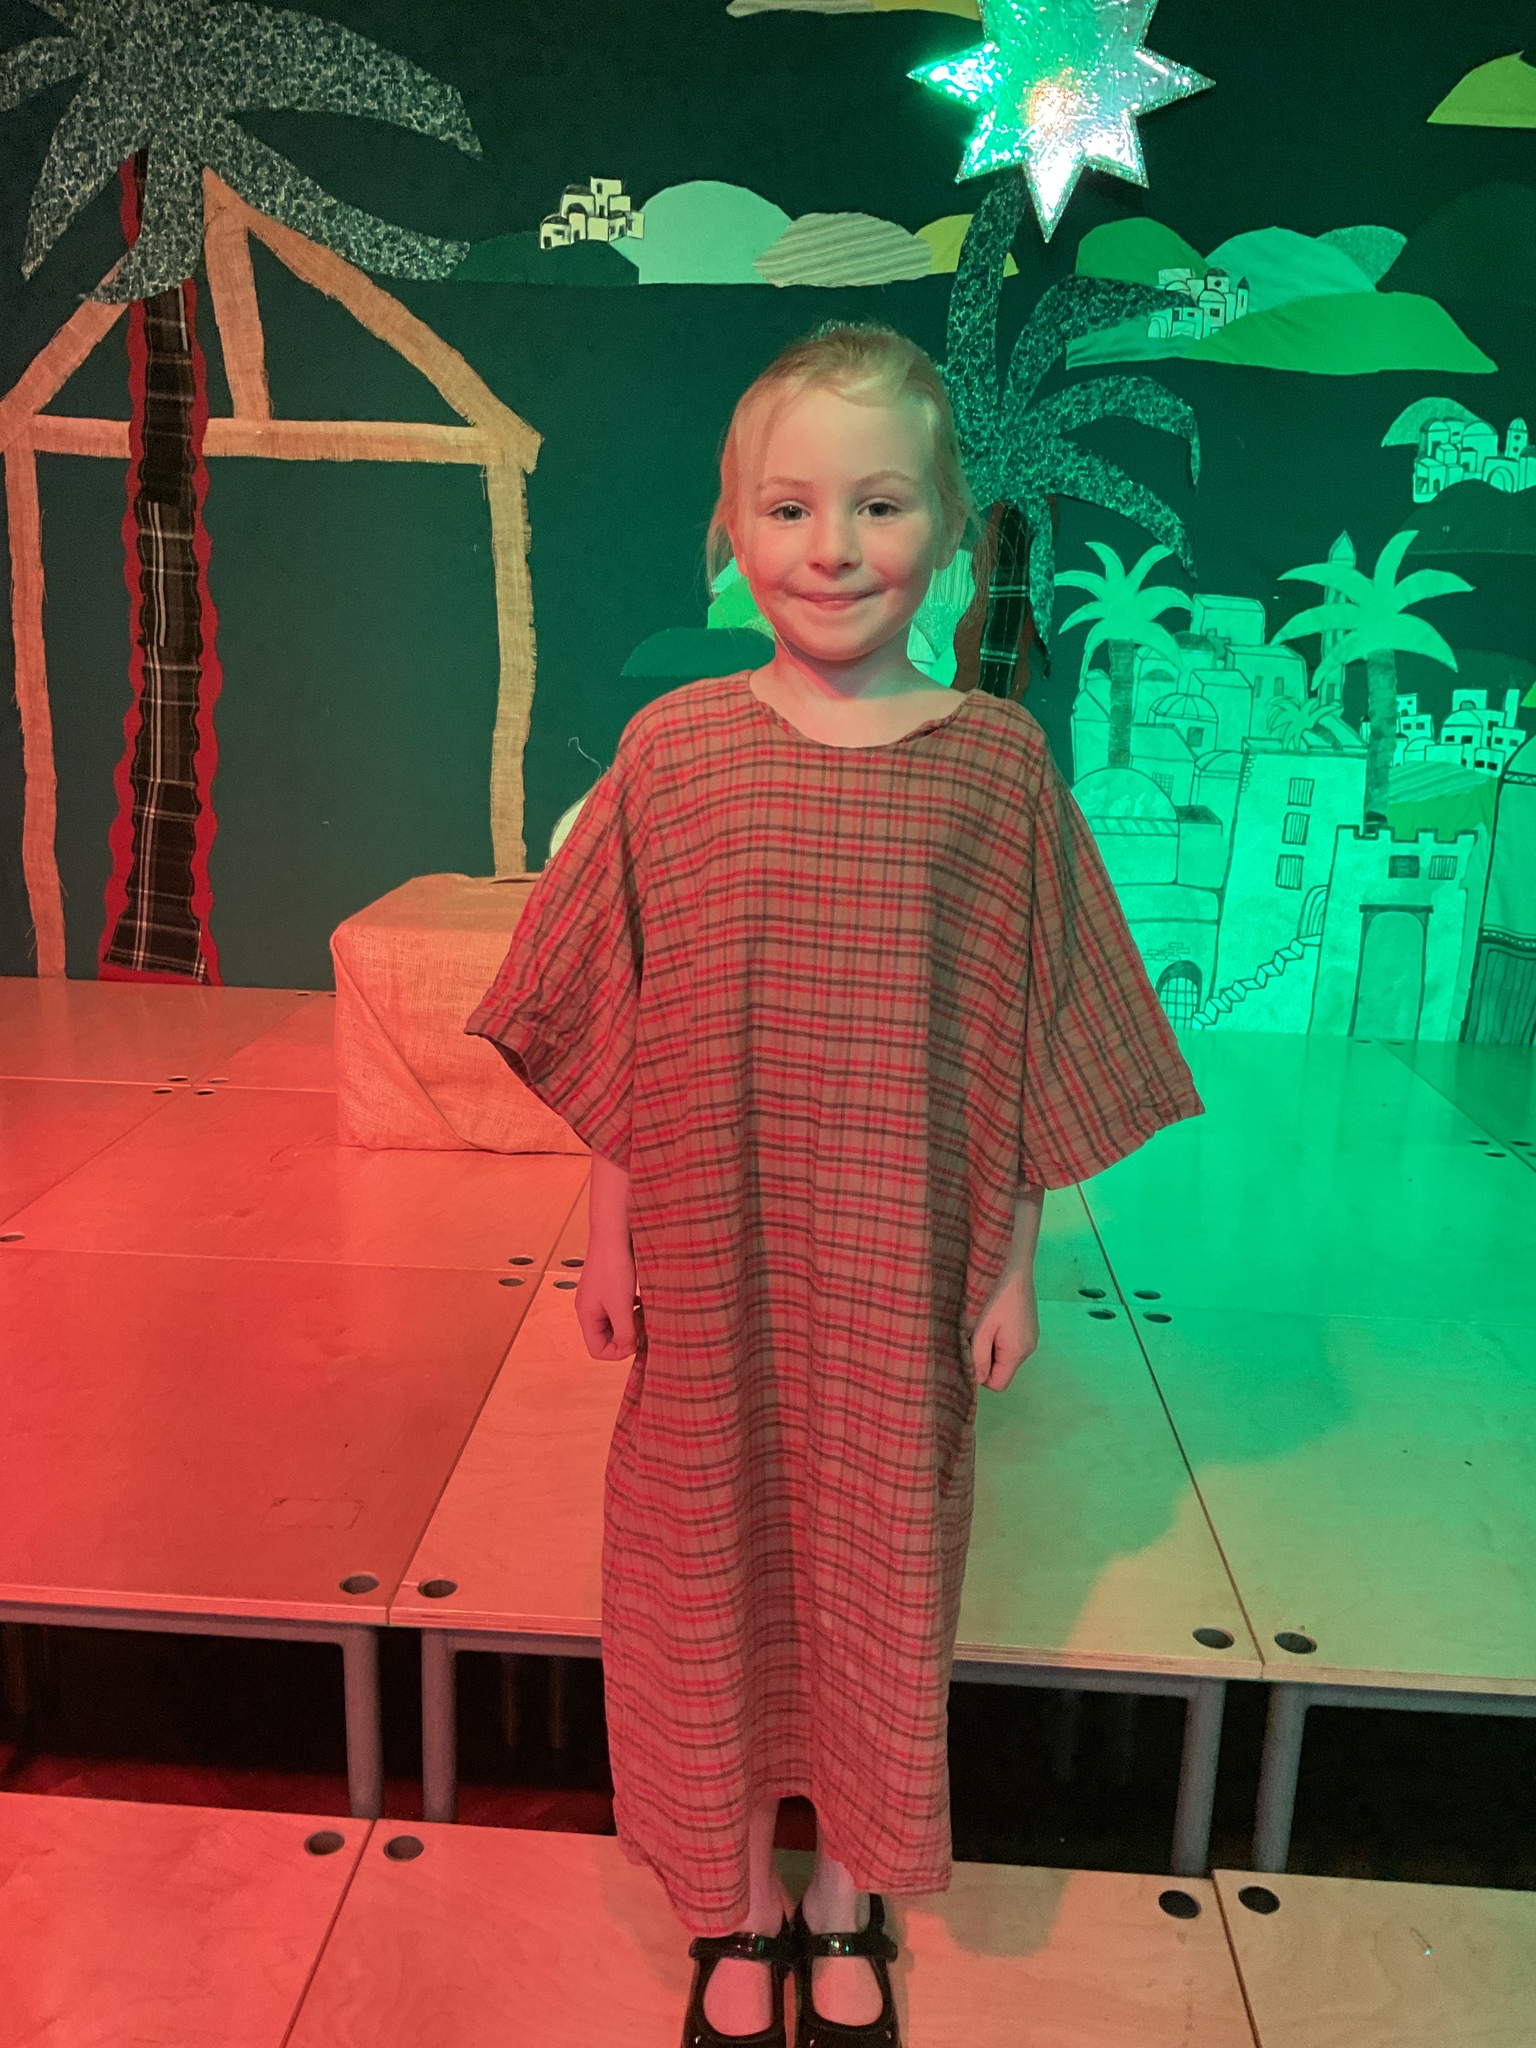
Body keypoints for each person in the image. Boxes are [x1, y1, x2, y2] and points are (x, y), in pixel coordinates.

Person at [466, 320, 1205, 2047]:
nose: (834, 547)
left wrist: (1011, 1267)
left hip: (901, 1277)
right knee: (699, 1565)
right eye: (790, 507)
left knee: (885, 1574)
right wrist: (606, 1240)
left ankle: (851, 1888)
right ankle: (731, 1895)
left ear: (946, 527)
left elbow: (1030, 1034)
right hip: (713, 1265)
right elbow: (619, 1017)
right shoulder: (673, 752)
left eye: (881, 505)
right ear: (731, 529)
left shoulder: (998, 771)